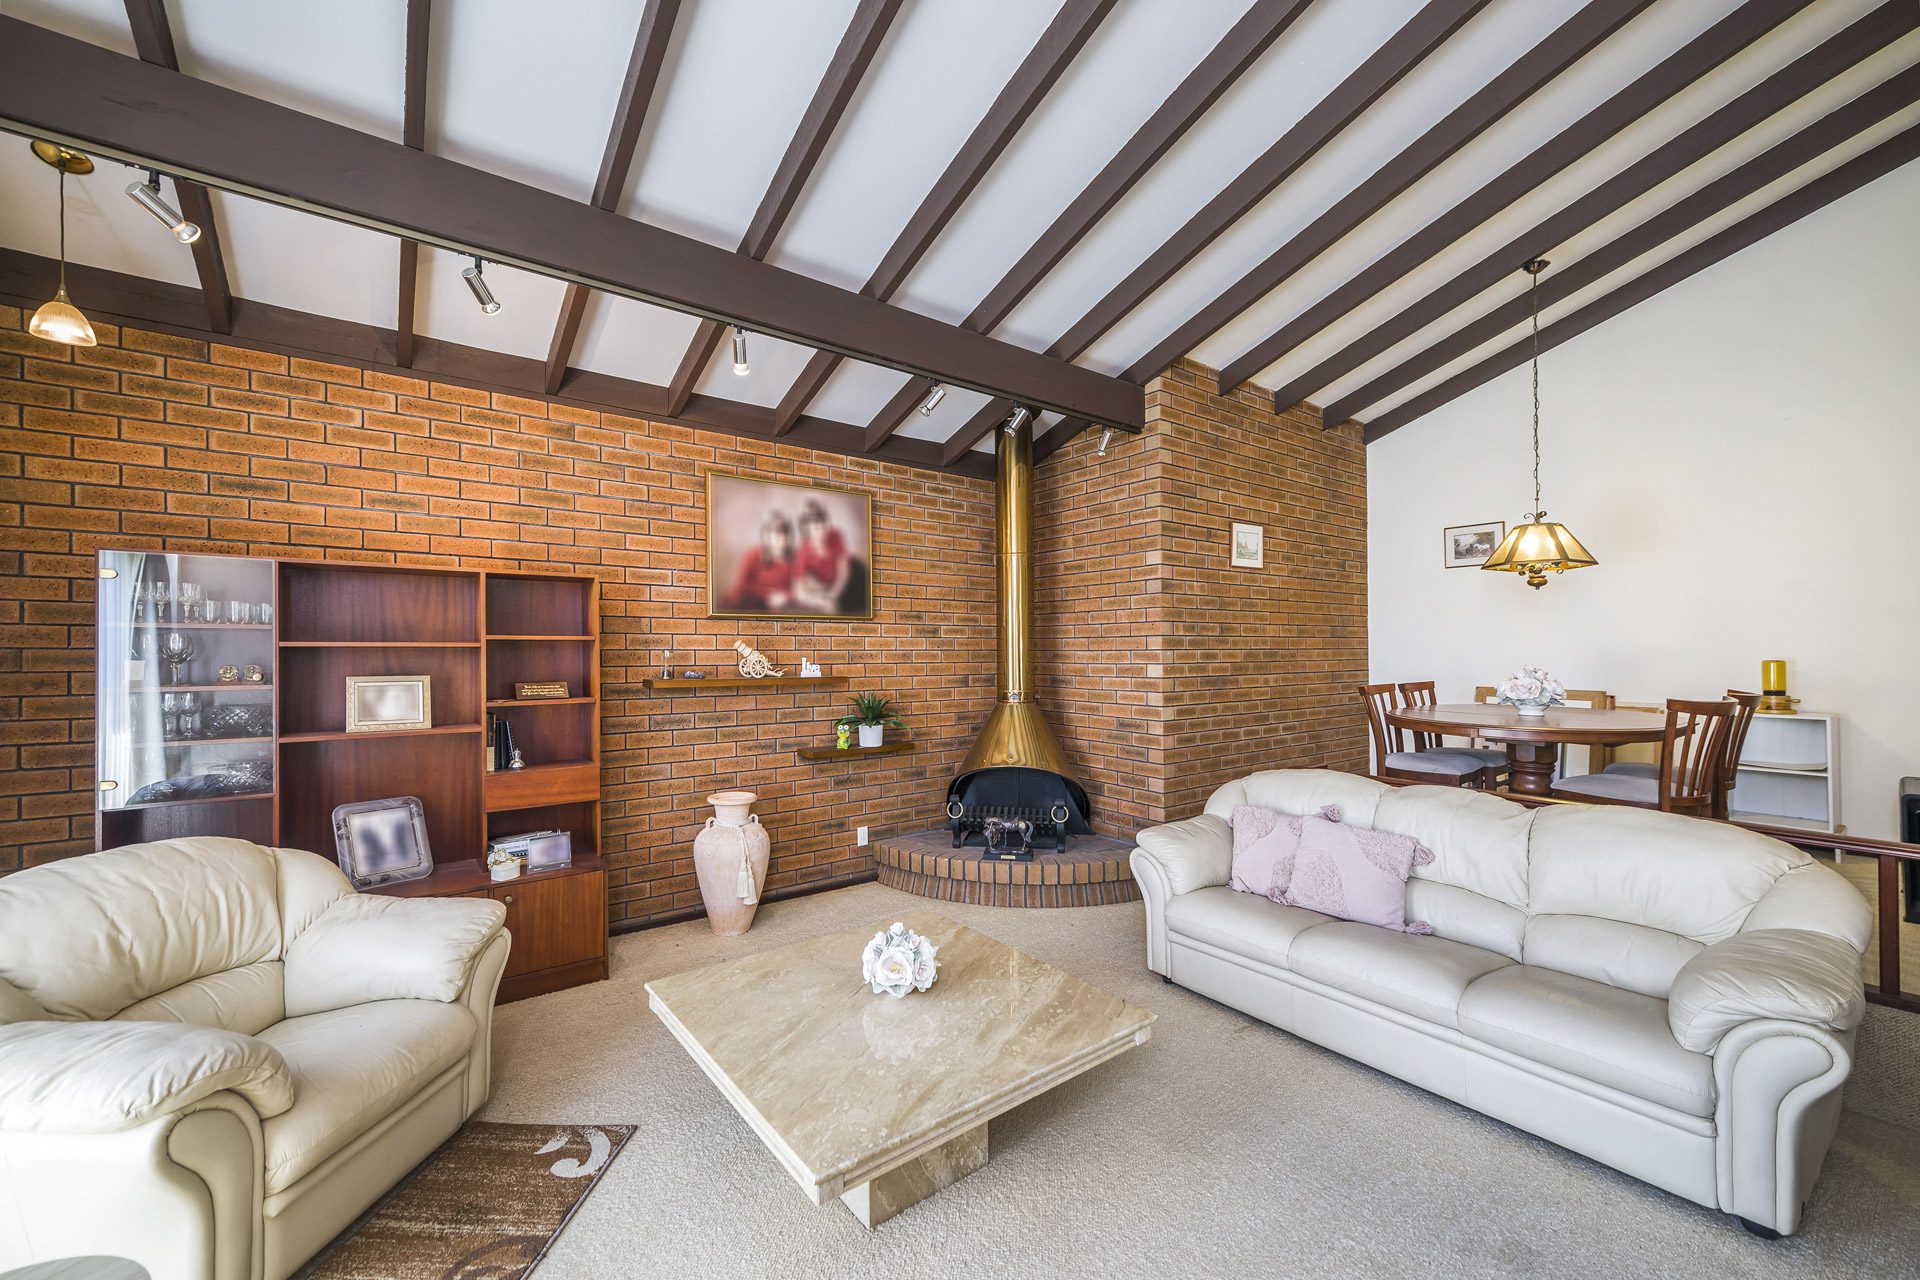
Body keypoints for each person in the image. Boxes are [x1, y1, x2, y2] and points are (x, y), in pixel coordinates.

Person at [793, 500, 870, 616]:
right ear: (806, 528)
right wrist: (820, 601)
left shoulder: (836, 535)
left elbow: (844, 572)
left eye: (822, 523)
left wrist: (832, 596)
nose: (820, 531)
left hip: (855, 574)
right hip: (832, 586)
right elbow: (798, 591)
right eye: (814, 526)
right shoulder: (803, 550)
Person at [721, 512, 797, 613]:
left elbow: (797, 589)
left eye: (782, 532)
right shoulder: (754, 554)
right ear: (766, 534)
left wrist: (784, 596)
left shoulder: (793, 559)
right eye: (772, 532)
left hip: (770, 610)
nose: (778, 537)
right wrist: (768, 595)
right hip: (741, 606)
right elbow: (741, 585)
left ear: (789, 535)